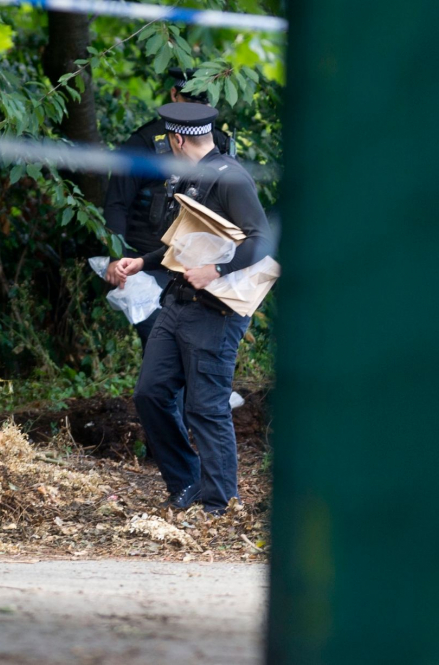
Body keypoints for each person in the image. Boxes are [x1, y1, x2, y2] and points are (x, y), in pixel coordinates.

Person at [110, 103, 271, 514]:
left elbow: (261, 240)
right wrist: (143, 261)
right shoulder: (187, 176)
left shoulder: (231, 178)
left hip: (215, 312)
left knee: (206, 406)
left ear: (179, 139)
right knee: (151, 393)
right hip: (177, 303)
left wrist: (217, 269)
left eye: (168, 140)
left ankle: (220, 502)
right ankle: (188, 483)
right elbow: (180, 242)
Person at [103, 67, 233, 349]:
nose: (198, 109)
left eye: (205, 102)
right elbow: (116, 203)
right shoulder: (143, 144)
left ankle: (201, 394)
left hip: (202, 264)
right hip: (149, 261)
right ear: (174, 94)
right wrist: (118, 257)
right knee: (162, 344)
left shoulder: (221, 145)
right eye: (192, 101)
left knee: (202, 347)